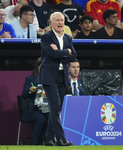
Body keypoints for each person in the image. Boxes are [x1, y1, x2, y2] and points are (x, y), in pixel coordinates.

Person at [36, 11, 76, 146]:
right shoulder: (46, 37)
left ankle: (49, 138)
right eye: (57, 20)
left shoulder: (68, 38)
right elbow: (52, 54)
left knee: (57, 108)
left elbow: (73, 56)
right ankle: (61, 139)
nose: (60, 23)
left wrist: (61, 52)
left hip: (62, 76)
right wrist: (66, 51)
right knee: (55, 108)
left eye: (62, 20)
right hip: (49, 77)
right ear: (51, 23)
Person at [21, 57, 49, 145]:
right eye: (42, 66)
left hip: (47, 108)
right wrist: (30, 90)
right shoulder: (30, 79)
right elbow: (24, 96)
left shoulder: (52, 79)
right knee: (40, 119)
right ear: (38, 67)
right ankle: (34, 144)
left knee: (53, 119)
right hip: (34, 110)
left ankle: (50, 143)